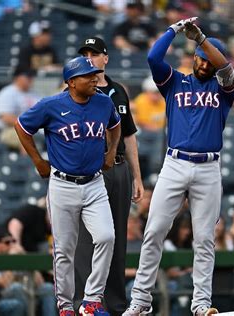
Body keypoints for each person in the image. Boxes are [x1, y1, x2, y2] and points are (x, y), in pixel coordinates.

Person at [123, 16, 234, 316]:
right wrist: (173, 30)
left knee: (204, 239)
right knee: (155, 230)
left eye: (207, 59)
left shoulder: (224, 88)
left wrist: (201, 39)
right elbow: (152, 57)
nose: (203, 64)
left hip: (208, 168)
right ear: (193, 59)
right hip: (175, 164)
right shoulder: (175, 81)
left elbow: (225, 68)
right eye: (200, 59)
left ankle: (200, 304)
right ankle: (140, 301)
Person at [14, 56, 121, 316]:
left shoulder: (103, 102)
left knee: (107, 237)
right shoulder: (51, 105)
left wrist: (111, 152)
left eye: (95, 73)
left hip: (95, 183)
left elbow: (115, 126)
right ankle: (65, 306)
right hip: (63, 184)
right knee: (64, 250)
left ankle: (91, 300)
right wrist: (38, 160)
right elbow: (21, 126)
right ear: (72, 82)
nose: (95, 78)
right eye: (88, 75)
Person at [73, 36, 144, 316]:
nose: (90, 57)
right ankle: (85, 303)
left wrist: (137, 177)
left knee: (116, 238)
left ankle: (113, 304)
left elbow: (130, 136)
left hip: (119, 167)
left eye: (95, 53)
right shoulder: (78, 90)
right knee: (87, 240)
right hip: (90, 169)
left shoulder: (118, 91)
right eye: (86, 53)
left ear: (106, 58)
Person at [0, 67, 39, 151]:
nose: (31, 79)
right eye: (28, 76)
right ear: (17, 77)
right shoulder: (7, 93)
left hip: (31, 130)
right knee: (27, 140)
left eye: (32, 76)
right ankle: (27, 163)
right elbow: (5, 117)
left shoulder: (34, 94)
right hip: (6, 130)